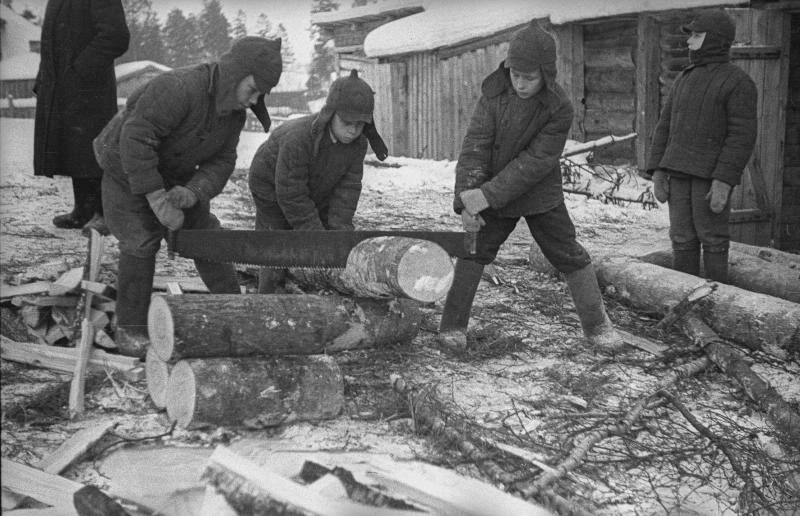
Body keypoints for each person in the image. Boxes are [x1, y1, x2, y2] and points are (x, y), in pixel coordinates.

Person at [93, 37, 283, 356]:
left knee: (206, 234)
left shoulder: (234, 114)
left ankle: (236, 311)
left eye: (260, 95)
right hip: (124, 163)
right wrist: (156, 199)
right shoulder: (178, 88)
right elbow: (137, 139)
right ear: (235, 74)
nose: (253, 102)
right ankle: (131, 331)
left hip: (174, 169)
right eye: (252, 90)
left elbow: (221, 160)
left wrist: (193, 193)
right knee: (140, 241)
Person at [440, 20, 621, 350]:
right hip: (492, 190)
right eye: (516, 75)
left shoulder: (559, 107)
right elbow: (476, 145)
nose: (521, 84)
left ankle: (597, 326)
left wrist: (485, 195)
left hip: (539, 194)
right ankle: (452, 326)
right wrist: (466, 199)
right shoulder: (494, 95)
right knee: (473, 249)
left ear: (546, 74)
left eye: (530, 77)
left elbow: (535, 162)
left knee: (568, 253)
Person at [248, 69, 387, 293]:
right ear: (331, 114)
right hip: (271, 185)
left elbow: (348, 189)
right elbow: (291, 193)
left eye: (360, 124)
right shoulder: (299, 138)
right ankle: (267, 299)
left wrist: (339, 236)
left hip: (315, 186)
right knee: (276, 243)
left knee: (324, 242)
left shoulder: (358, 144)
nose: (353, 130)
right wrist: (315, 235)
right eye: (347, 122)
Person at [643, 9, 757, 283]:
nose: (689, 41)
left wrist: (724, 181)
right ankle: (685, 294)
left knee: (712, 236)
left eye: (696, 35)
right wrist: (657, 170)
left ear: (714, 39)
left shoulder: (738, 82)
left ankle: (717, 299)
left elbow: (741, 137)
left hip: (709, 177)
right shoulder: (684, 78)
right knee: (681, 236)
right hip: (678, 171)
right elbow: (664, 126)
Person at [33, 0, 130, 235]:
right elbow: (52, 44)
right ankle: (84, 211)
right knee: (75, 149)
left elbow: (116, 36)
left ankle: (104, 213)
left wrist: (81, 69)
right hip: (63, 85)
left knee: (93, 149)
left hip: (89, 88)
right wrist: (43, 79)